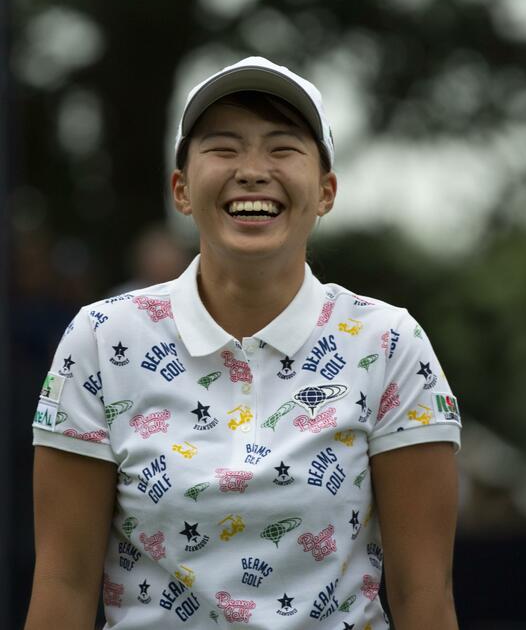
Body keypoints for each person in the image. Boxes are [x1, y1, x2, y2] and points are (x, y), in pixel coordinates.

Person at [26, 56, 462, 630]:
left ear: (326, 191)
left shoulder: (389, 344)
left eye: (283, 148)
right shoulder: (101, 339)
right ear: (181, 190)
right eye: (224, 148)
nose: (253, 170)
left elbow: (422, 592)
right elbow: (64, 582)